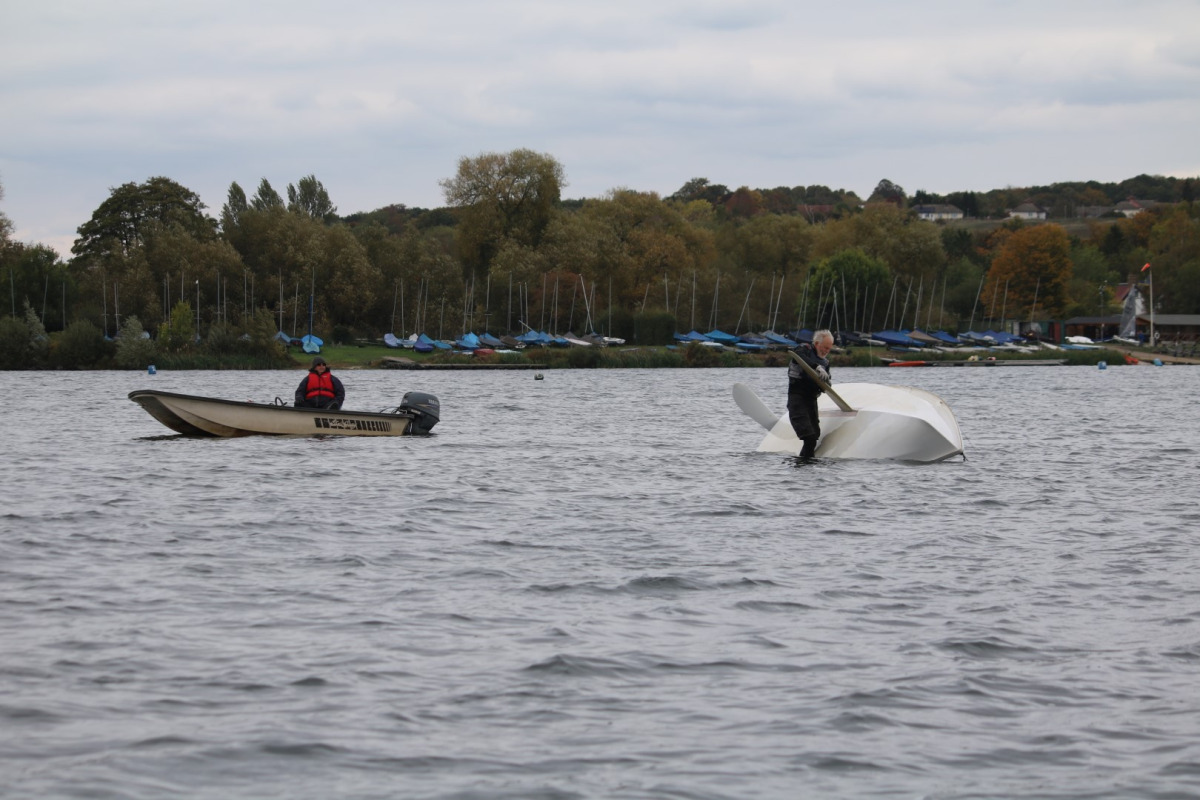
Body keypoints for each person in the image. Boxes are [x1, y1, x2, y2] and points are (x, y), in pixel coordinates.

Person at [787, 329, 833, 459]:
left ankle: (807, 463)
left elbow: (825, 384)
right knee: (809, 437)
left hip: (811, 400)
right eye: (825, 347)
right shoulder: (804, 349)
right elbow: (798, 355)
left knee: (815, 436)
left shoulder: (826, 363)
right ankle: (804, 466)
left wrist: (827, 383)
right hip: (797, 399)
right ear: (817, 344)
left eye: (829, 349)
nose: (826, 351)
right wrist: (816, 367)